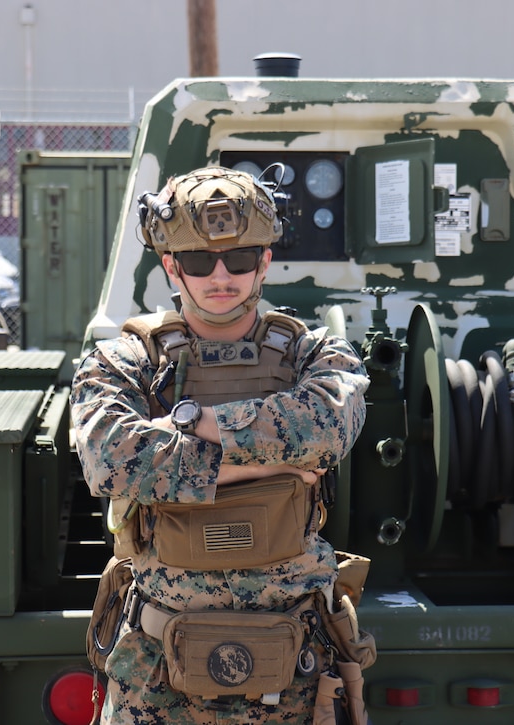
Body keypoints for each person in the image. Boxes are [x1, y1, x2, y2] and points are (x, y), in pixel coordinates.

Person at [70, 165, 370, 723]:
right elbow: (110, 460)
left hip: (296, 661)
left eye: (238, 260)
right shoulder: (125, 361)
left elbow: (324, 428)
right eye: (199, 262)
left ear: (264, 263)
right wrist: (262, 468)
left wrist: (195, 424)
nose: (220, 276)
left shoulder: (317, 354)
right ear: (171, 267)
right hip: (158, 668)